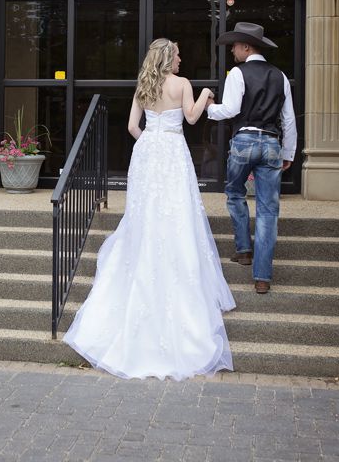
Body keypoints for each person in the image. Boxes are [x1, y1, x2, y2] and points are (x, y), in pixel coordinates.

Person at [63, 38, 236, 380]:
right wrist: (205, 96)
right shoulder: (183, 84)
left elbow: (131, 127)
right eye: (179, 53)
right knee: (177, 214)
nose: (182, 58)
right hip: (172, 152)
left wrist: (150, 143)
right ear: (169, 58)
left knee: (145, 213)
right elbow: (190, 118)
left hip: (147, 153)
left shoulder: (143, 86)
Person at [207, 22, 297, 295]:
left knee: (235, 193)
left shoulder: (238, 72)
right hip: (271, 143)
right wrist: (289, 153)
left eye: (235, 45)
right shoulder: (279, 75)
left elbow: (232, 109)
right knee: (269, 210)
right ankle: (262, 277)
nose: (232, 50)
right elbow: (289, 119)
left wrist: (210, 108)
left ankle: (244, 249)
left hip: (244, 140)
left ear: (247, 47)